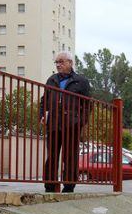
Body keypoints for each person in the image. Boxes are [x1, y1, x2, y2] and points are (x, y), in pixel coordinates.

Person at [39, 52, 92, 193]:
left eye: (61, 62)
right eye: (56, 62)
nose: (58, 65)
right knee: (52, 156)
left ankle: (69, 186)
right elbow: (44, 100)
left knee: (70, 156)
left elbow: (87, 105)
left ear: (70, 63)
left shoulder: (81, 81)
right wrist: (42, 114)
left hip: (72, 125)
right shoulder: (52, 80)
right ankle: (49, 185)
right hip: (54, 123)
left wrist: (80, 122)